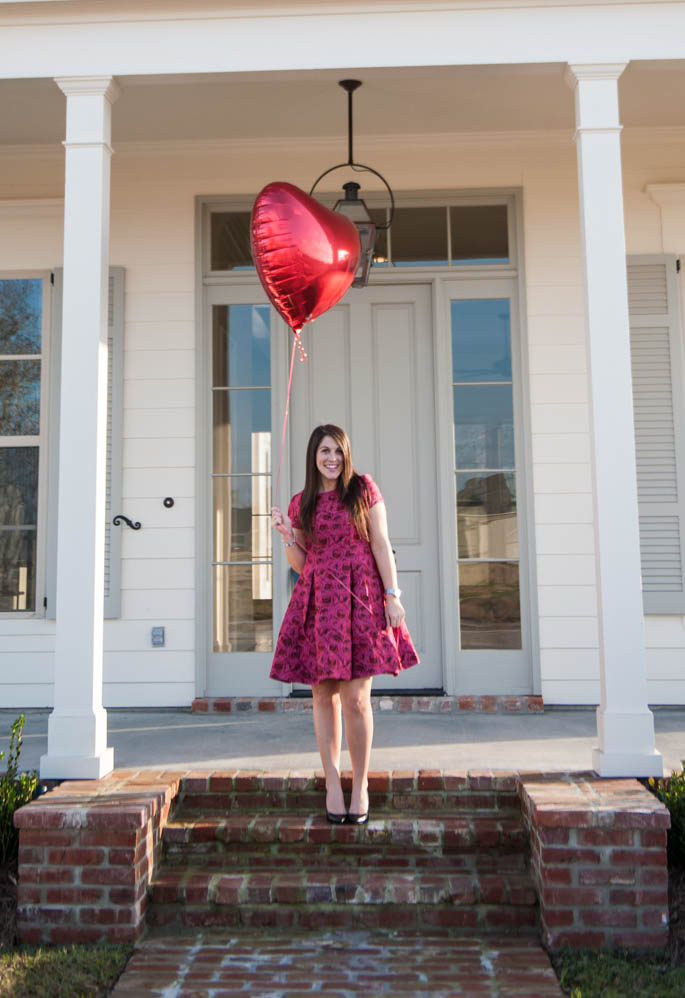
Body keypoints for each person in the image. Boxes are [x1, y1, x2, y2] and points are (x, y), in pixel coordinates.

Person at [270, 424, 419, 825]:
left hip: (362, 600)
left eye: (337, 450)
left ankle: (361, 783)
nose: (331, 458)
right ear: (313, 456)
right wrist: (288, 535)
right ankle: (333, 782)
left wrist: (393, 595)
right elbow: (304, 565)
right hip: (319, 603)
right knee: (323, 697)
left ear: (346, 453)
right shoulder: (301, 502)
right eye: (324, 451)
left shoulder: (364, 489)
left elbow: (380, 543)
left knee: (355, 698)